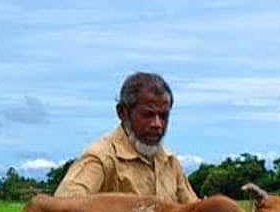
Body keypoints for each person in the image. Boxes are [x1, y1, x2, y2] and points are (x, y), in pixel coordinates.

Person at [55, 72, 198, 202]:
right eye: (147, 115)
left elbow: (194, 211)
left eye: (163, 116)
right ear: (122, 113)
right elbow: (62, 207)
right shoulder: (102, 157)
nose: (157, 124)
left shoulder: (169, 162)